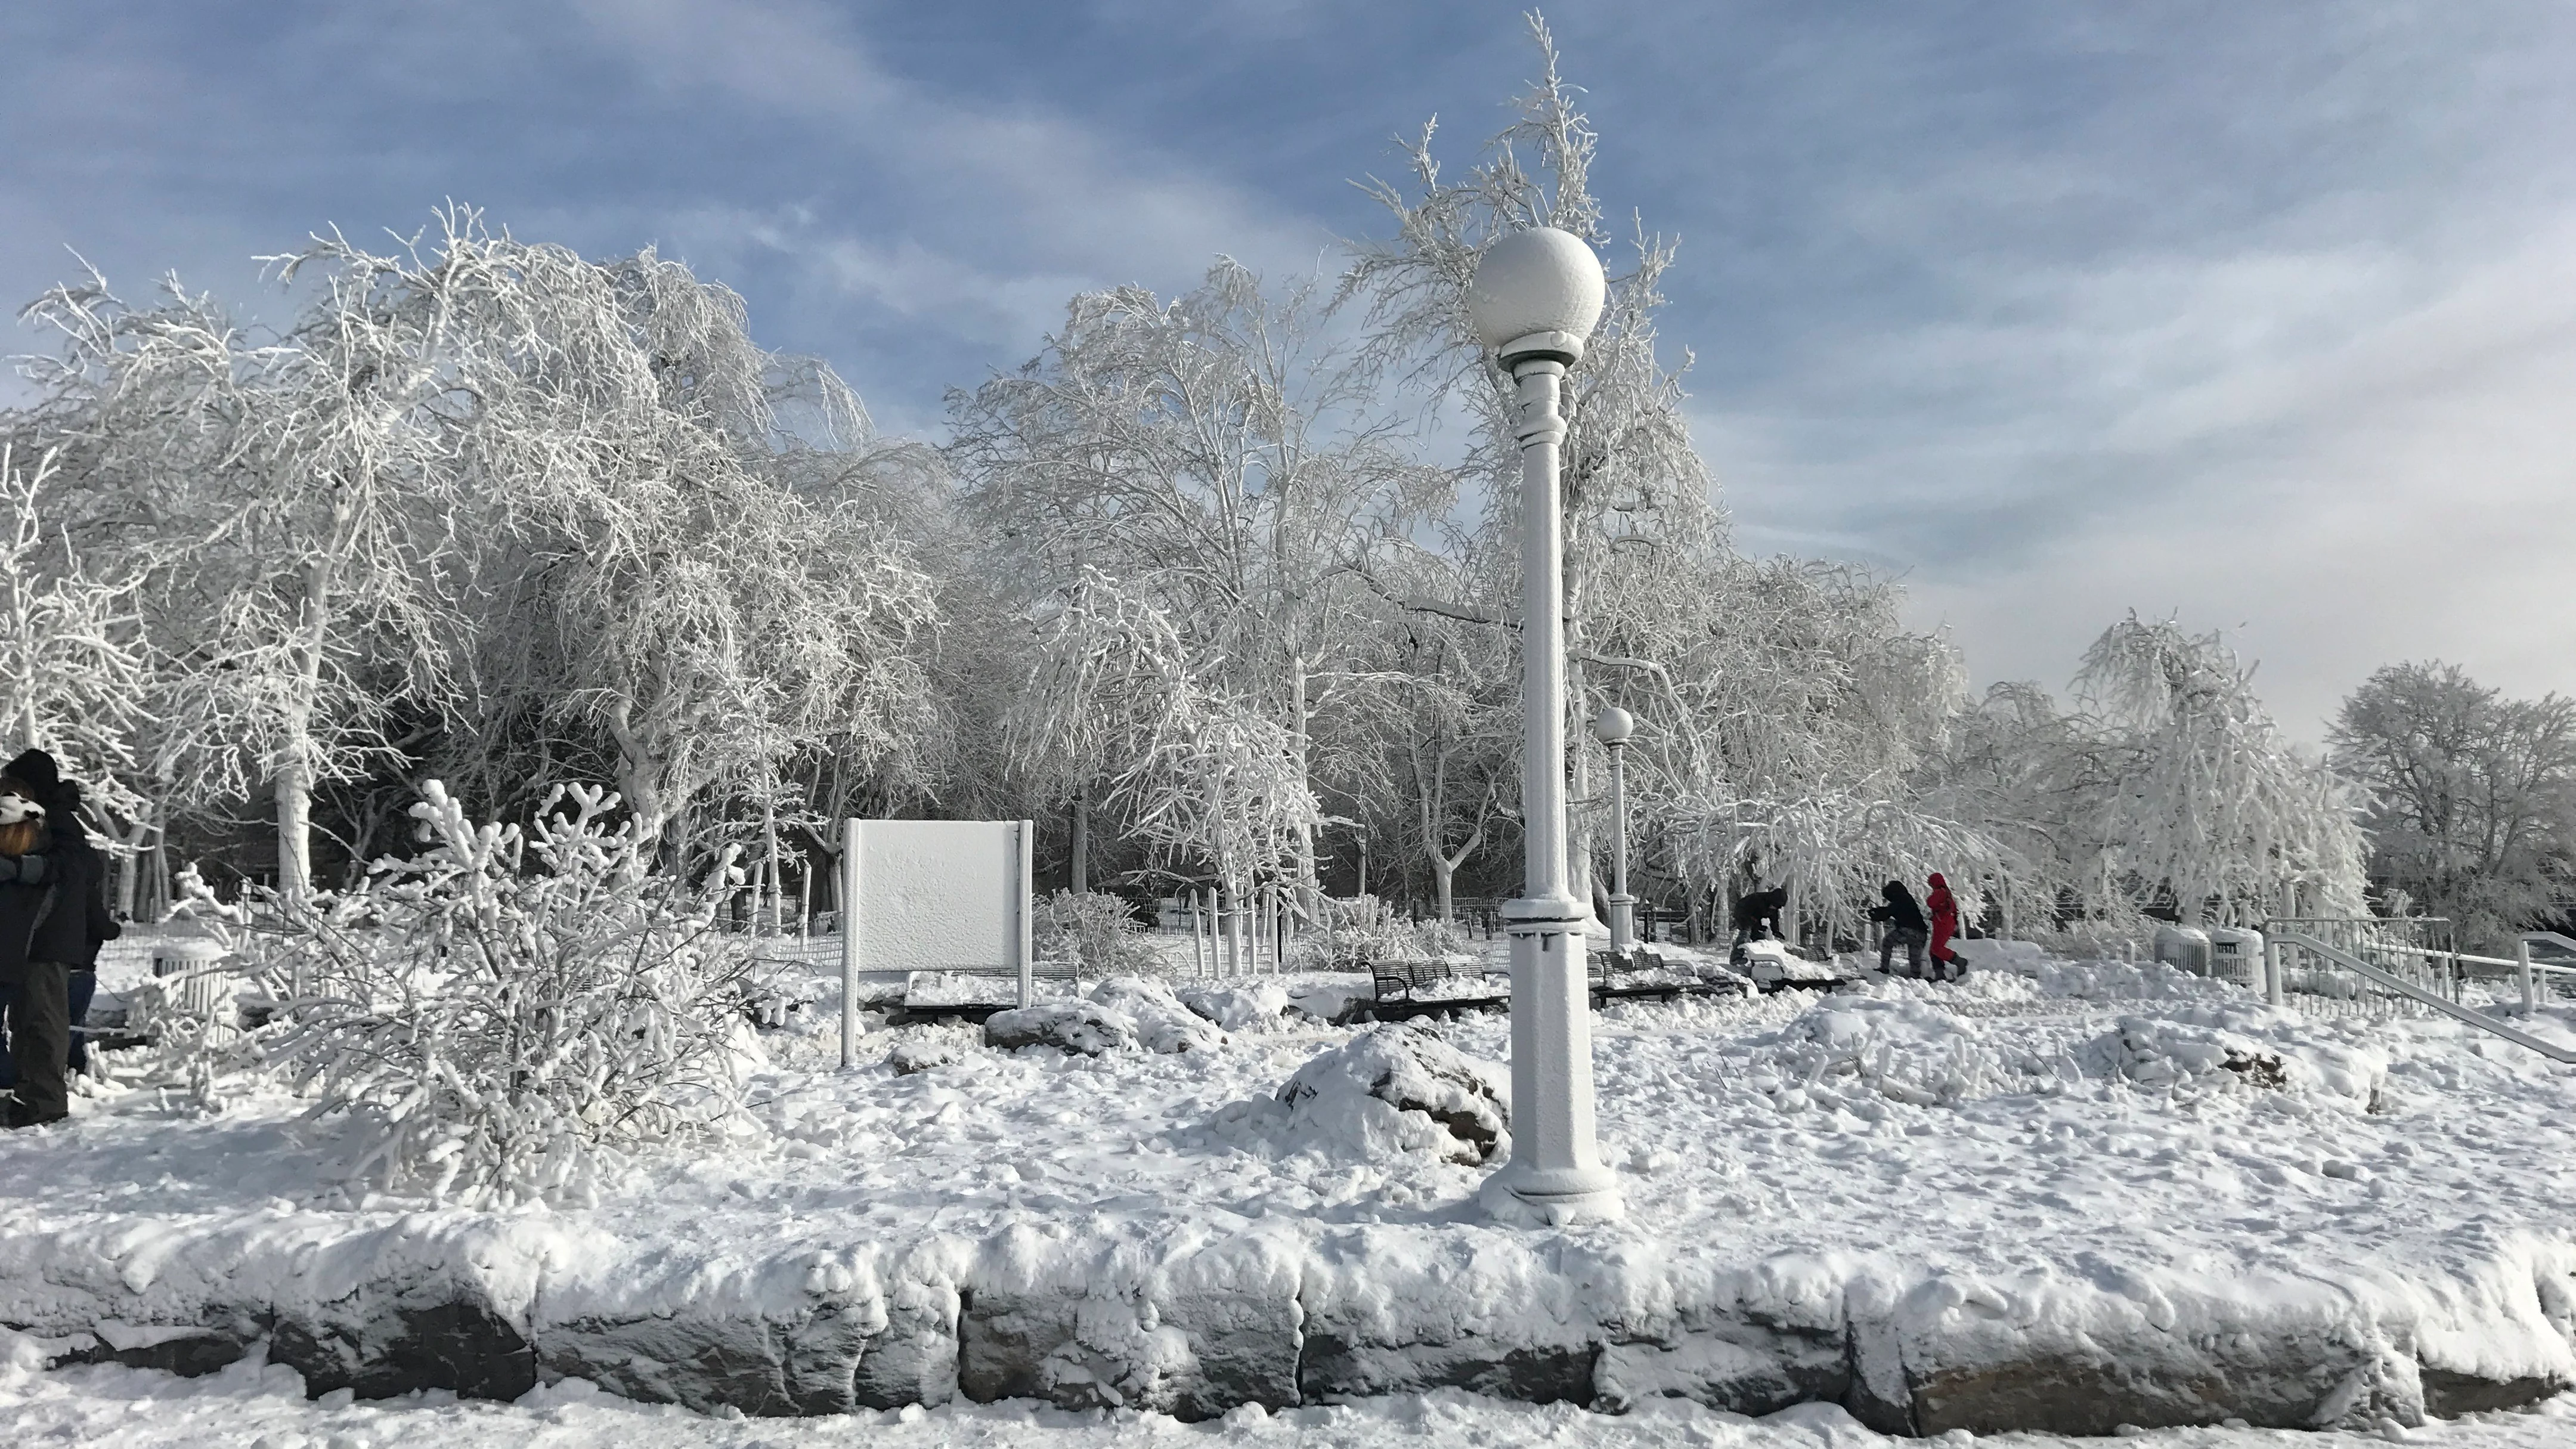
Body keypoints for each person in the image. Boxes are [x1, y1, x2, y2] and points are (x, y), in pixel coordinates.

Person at [2, 749, 116, 1128]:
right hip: (42, 937)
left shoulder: (56, 819)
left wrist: (22, 869)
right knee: (31, 1019)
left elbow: (76, 866)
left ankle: (43, 1101)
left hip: (51, 938)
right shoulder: (45, 816)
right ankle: (31, 1095)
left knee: (42, 1018)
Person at [1869, 879, 1928, 976]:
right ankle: (1916, 977)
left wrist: (1874, 914)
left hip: (1908, 931)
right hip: (1922, 933)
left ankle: (1884, 968)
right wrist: (1879, 910)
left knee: (1887, 942)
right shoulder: (1907, 898)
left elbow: (1886, 914)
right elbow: (1890, 910)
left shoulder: (1899, 899)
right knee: (1915, 960)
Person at [1925, 872, 1968, 982]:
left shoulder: (1941, 892)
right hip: (1943, 924)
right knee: (1933, 950)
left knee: (1937, 949)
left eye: (1931, 884)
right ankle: (1940, 975)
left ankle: (1959, 961)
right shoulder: (1946, 893)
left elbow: (1930, 902)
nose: (1931, 886)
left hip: (1944, 924)